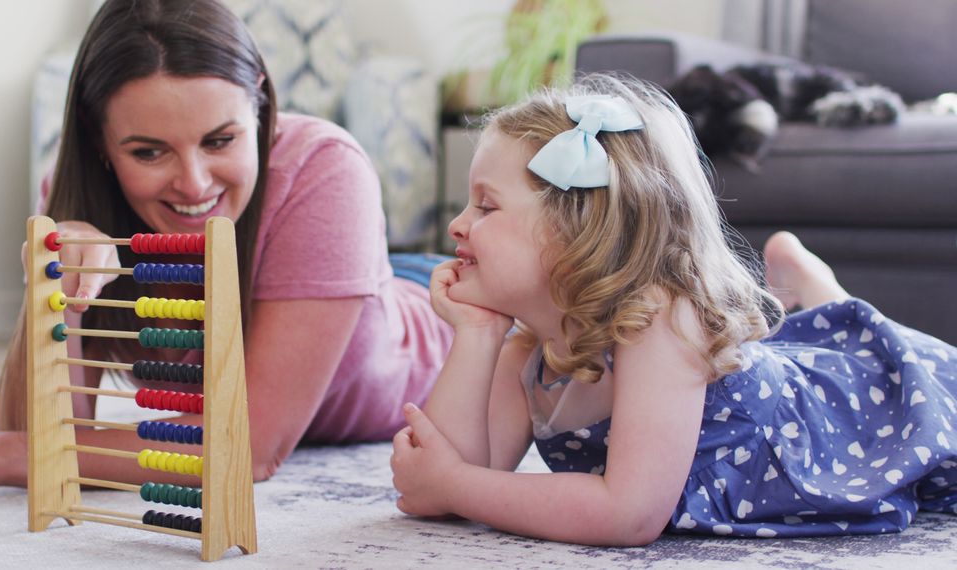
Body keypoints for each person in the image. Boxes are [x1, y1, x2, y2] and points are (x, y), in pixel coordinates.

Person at [0, 0, 451, 502]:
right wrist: (56, 287)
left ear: (258, 101)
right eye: (149, 153)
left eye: (220, 140)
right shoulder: (76, 197)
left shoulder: (325, 170)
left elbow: (248, 448)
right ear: (99, 140)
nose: (195, 184)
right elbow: (37, 428)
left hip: (440, 314)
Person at [389, 73, 957, 545]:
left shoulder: (657, 318)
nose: (457, 225)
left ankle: (819, 289)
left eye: (486, 206)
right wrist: (477, 334)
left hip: (851, 412)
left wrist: (456, 485)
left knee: (877, 362)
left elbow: (627, 514)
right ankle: (809, 290)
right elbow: (440, 478)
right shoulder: (528, 351)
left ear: (575, 233)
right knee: (816, 344)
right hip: (778, 380)